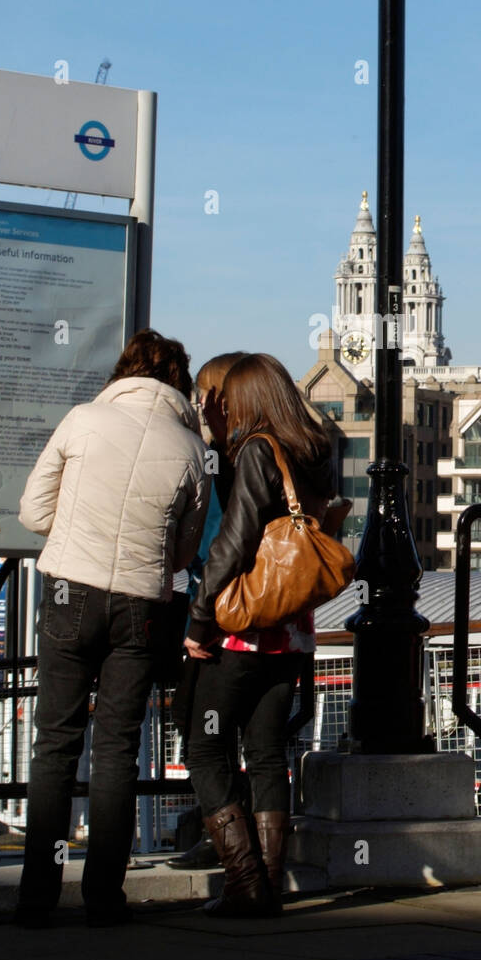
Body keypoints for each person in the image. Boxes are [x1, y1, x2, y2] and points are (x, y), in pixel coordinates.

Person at [14, 329, 210, 926]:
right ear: (178, 383)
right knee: (119, 749)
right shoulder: (189, 450)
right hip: (140, 604)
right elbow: (183, 553)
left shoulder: (82, 421)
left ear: (124, 370)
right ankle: (104, 895)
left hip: (71, 590)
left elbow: (32, 512)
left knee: (56, 745)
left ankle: (38, 896)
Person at [183, 353, 337, 917]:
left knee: (205, 749)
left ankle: (244, 882)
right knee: (269, 753)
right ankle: (269, 884)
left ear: (248, 399)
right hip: (293, 631)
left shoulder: (256, 450)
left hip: (243, 631)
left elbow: (234, 541)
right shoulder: (316, 447)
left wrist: (200, 618)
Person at [166, 351, 248, 872]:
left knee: (200, 732)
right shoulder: (262, 451)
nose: (198, 405)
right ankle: (248, 850)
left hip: (217, 616)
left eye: (203, 396)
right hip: (256, 619)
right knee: (251, 742)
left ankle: (229, 847)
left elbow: (213, 541)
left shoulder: (217, 459)